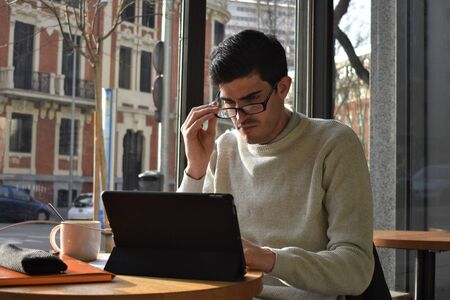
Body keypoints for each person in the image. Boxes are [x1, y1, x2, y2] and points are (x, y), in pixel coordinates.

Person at [178, 29, 374, 300]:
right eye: (229, 104)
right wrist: (195, 170)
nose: (239, 117)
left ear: (282, 88)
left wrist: (270, 260)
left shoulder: (333, 144)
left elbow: (356, 270)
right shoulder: (224, 147)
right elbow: (178, 250)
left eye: (251, 101)